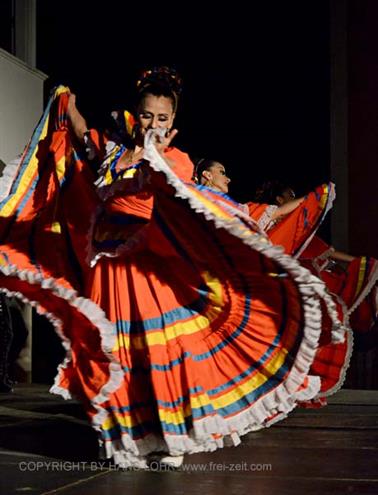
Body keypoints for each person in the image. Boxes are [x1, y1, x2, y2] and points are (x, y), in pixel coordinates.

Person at [0, 68, 346, 469]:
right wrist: (67, 99)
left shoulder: (175, 161)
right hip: (108, 272)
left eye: (162, 119)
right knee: (119, 353)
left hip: (149, 271)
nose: (153, 124)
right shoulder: (111, 148)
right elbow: (79, 133)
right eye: (147, 115)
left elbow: (189, 208)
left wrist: (156, 163)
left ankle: (176, 437)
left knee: (166, 347)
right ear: (136, 114)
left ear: (173, 123)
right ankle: (127, 437)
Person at [194, 160, 353, 406]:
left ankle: (257, 396)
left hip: (234, 282)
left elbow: (276, 213)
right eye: (222, 172)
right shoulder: (193, 198)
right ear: (206, 174)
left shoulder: (234, 207)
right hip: (207, 281)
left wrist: (311, 198)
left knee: (264, 336)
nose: (228, 178)